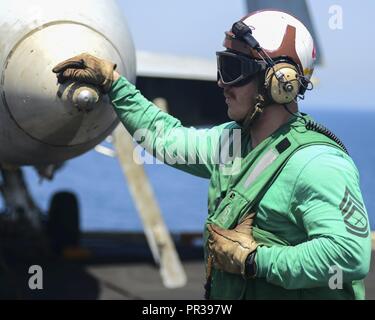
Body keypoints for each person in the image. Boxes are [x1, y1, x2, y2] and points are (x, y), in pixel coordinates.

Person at [52, 10, 371, 300]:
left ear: (279, 82)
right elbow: (166, 138)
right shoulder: (232, 143)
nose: (221, 82)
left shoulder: (316, 163)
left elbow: (348, 256)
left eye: (233, 69)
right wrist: (114, 84)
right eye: (222, 66)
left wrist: (253, 261)